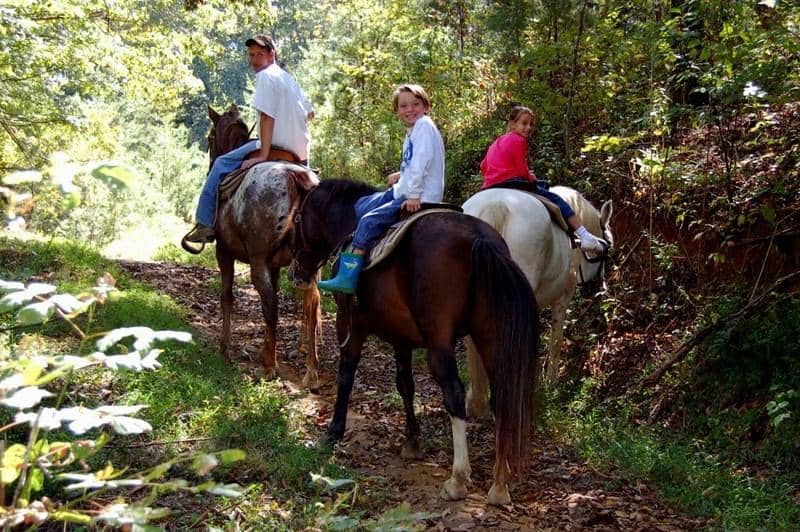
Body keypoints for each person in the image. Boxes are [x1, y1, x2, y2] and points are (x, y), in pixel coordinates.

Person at [184, 34, 315, 244]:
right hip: (300, 155)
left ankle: (204, 224)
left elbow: (266, 116)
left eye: (260, 55)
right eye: (251, 55)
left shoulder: (265, 76)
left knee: (220, 163)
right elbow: (311, 114)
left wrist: (263, 155)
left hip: (274, 145)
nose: (255, 61)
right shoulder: (290, 80)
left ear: (272, 54)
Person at [318, 84, 445, 294]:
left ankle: (348, 276)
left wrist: (414, 196)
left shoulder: (423, 126)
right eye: (404, 106)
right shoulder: (414, 130)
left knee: (369, 220)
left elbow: (422, 162)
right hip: (404, 188)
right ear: (396, 111)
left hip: (419, 194)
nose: (410, 109)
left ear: (426, 106)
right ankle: (352, 254)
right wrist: (400, 174)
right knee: (360, 205)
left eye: (416, 104)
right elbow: (415, 164)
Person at [480, 105, 605, 254]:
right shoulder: (518, 140)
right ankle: (584, 235)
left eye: (531, 124)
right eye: (524, 123)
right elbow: (521, 169)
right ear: (512, 124)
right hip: (512, 183)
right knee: (555, 199)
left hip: (490, 186)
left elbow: (483, 166)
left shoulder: (496, 142)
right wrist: (530, 176)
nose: (528, 128)